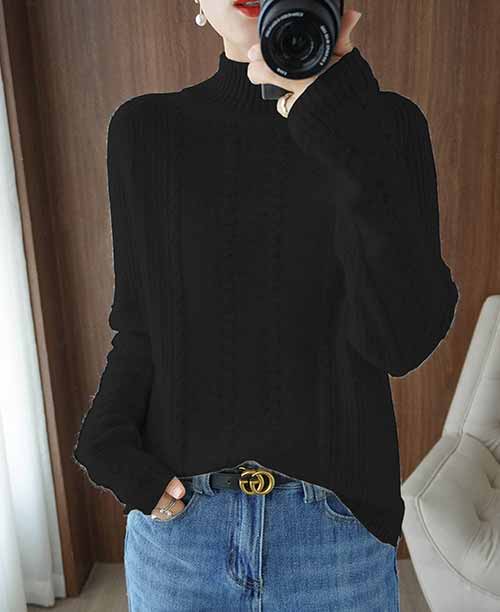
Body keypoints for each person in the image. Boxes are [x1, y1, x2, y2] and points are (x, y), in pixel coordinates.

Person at [72, 1, 459, 610]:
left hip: (336, 537)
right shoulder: (145, 130)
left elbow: (401, 341)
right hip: (182, 536)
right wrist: (106, 440)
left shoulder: (386, 126)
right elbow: (142, 327)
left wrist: (341, 120)